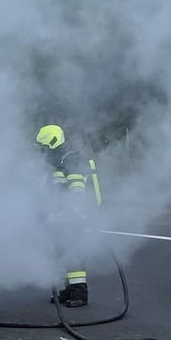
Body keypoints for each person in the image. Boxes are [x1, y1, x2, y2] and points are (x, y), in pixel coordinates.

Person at [37, 123, 102, 308]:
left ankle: (80, 294)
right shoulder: (59, 162)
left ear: (52, 143)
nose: (42, 152)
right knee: (62, 254)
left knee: (73, 253)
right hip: (62, 217)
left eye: (43, 147)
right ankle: (69, 289)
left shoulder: (70, 160)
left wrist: (73, 212)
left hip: (74, 217)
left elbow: (77, 191)